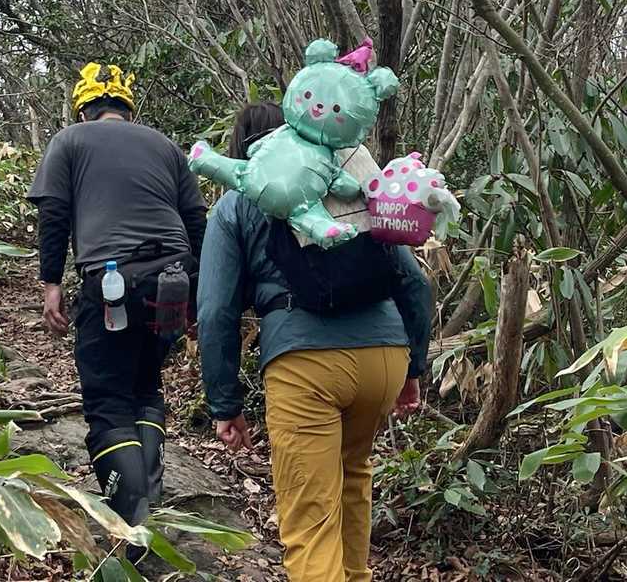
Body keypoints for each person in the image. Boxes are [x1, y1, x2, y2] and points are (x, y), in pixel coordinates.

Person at [197, 102, 432, 582]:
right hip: (383, 357)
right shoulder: (350, 183)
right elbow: (413, 282)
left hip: (305, 363)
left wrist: (225, 404)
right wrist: (413, 368)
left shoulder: (238, 202)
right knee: (352, 476)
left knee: (309, 518)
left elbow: (216, 310)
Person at [26, 62, 207, 525]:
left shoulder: (69, 140)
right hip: (174, 279)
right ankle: (149, 498)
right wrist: (199, 294)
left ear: (82, 110)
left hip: (112, 280)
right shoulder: (165, 146)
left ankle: (132, 520)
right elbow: (196, 222)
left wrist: (51, 284)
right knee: (145, 384)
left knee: (108, 399)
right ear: (129, 110)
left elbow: (54, 214)